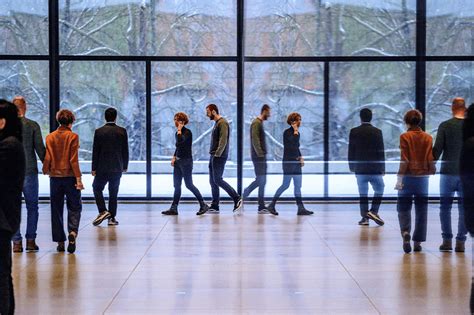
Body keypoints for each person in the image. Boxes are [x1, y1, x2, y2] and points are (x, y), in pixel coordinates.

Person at [43, 109, 83, 254]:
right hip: (70, 177)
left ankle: (60, 241)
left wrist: (46, 169)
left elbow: (48, 156)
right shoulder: (73, 136)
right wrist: (78, 178)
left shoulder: (50, 137)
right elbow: (73, 160)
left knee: (56, 209)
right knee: (75, 206)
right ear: (71, 121)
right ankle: (72, 232)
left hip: (55, 178)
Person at [395, 109, 435, 253]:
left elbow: (404, 159)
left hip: (407, 176)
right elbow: (430, 157)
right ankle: (417, 242)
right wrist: (431, 170)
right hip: (423, 178)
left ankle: (406, 232)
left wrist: (400, 177)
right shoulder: (428, 137)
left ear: (407, 121)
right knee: (421, 210)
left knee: (403, 207)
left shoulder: (404, 136)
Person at [10, 96, 46, 253]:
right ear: (25, 107)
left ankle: (16, 243)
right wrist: (49, 166)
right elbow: (40, 149)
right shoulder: (32, 125)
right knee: (32, 206)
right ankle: (31, 241)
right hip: (29, 171)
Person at [0, 100, 25, 315]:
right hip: (6, 217)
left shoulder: (9, 145)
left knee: (1, 274)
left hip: (3, 219)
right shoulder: (11, 142)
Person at [433, 97, 467, 252]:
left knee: (445, 207)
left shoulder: (445, 126)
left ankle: (447, 241)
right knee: (464, 208)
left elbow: (437, 151)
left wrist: (428, 161)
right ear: (465, 109)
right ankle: (461, 242)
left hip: (448, 173)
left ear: (452, 109)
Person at [162, 112, 209, 216]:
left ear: (182, 121)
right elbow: (178, 147)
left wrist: (179, 131)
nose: (174, 121)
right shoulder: (177, 133)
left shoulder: (188, 133)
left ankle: (203, 204)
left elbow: (180, 144)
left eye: (176, 119)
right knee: (177, 185)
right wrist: (174, 157)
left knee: (189, 184)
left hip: (186, 162)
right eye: (174, 119)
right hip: (178, 161)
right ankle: (174, 208)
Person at [267, 112, 313, 216]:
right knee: (285, 185)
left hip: (296, 163)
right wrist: (295, 131)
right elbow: (291, 147)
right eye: (298, 120)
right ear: (292, 122)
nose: (300, 122)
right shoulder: (287, 133)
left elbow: (296, 147)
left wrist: (300, 157)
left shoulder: (297, 133)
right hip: (289, 163)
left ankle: (301, 208)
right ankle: (272, 204)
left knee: (298, 186)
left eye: (300, 119)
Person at [91, 108, 129, 226]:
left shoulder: (99, 131)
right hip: (117, 167)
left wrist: (94, 167)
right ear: (116, 117)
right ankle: (112, 218)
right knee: (113, 192)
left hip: (102, 167)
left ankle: (102, 211)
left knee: (97, 188)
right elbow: (125, 150)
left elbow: (95, 151)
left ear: (105, 117)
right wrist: (125, 165)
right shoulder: (122, 131)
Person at [348, 108, 385, 226]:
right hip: (374, 168)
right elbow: (381, 151)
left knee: (363, 193)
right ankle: (374, 211)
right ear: (371, 117)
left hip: (360, 169)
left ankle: (365, 218)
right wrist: (382, 168)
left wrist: (352, 166)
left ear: (360, 117)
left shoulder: (354, 131)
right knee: (380, 188)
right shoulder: (377, 132)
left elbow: (351, 151)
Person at [206, 104, 242, 214]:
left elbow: (223, 140)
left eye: (207, 112)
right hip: (214, 155)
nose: (206, 114)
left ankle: (236, 198)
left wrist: (217, 155)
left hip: (219, 156)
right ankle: (215, 205)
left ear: (213, 111)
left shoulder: (223, 123)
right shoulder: (217, 123)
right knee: (212, 181)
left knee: (217, 179)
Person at [243, 104, 275, 214]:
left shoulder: (258, 123)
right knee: (261, 180)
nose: (270, 115)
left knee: (261, 180)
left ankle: (260, 205)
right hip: (259, 157)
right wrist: (260, 154)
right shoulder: (256, 123)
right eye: (269, 112)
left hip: (260, 156)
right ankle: (247, 195)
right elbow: (255, 140)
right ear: (264, 111)